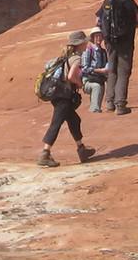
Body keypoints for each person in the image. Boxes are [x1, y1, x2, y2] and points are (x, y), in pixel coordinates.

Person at [38, 31, 96, 167]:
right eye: (85, 42)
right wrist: (80, 84)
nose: (87, 44)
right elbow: (70, 76)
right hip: (64, 95)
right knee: (56, 123)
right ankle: (45, 153)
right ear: (80, 44)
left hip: (57, 94)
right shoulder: (76, 58)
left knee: (74, 120)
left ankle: (82, 149)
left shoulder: (66, 56)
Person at [97, 0, 138, 115]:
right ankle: (120, 105)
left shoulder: (107, 2)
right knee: (123, 71)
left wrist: (109, 33)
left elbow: (97, 21)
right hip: (125, 41)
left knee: (112, 70)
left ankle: (109, 103)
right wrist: (127, 28)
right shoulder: (130, 3)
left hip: (109, 42)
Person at [80, 29, 110, 112]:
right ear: (92, 38)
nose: (99, 38)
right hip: (88, 80)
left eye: (100, 36)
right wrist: (100, 71)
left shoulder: (103, 52)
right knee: (96, 87)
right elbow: (84, 68)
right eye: (96, 36)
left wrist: (106, 69)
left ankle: (96, 110)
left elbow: (107, 64)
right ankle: (94, 110)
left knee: (100, 88)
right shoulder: (88, 50)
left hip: (99, 80)